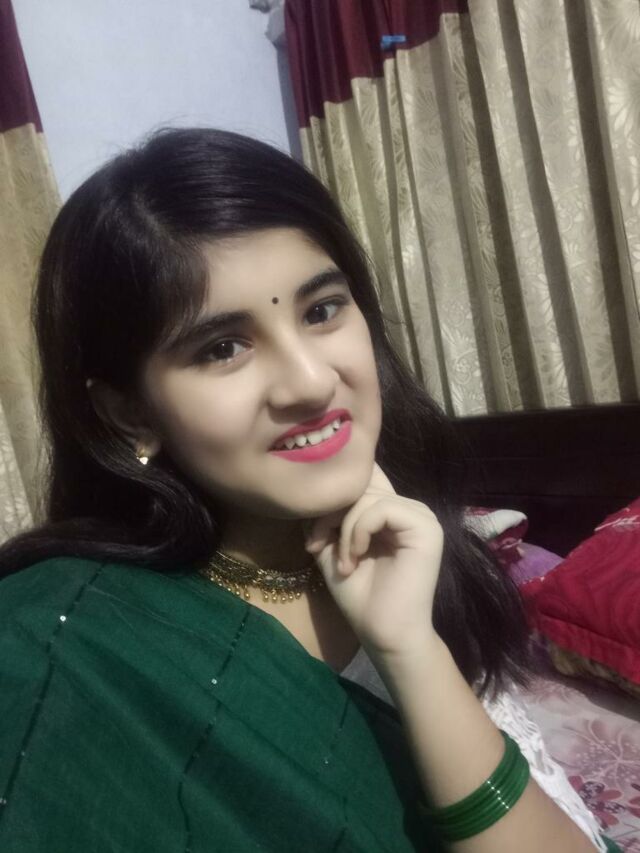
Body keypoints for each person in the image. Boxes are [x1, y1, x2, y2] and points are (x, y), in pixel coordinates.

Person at [0, 128, 618, 852]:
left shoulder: (417, 551)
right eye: (222, 347)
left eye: (321, 310)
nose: (311, 382)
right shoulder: (68, 649)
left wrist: (410, 648)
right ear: (129, 412)